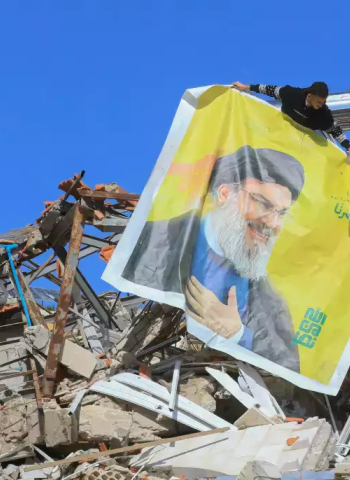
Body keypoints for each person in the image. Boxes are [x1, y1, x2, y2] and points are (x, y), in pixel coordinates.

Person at [122, 145, 305, 372]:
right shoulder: (153, 240)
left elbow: (288, 368)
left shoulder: (269, 300)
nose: (272, 223)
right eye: (264, 204)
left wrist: (237, 335)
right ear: (225, 194)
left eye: (282, 213)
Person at [232, 81, 350, 158]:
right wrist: (246, 87)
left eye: (323, 102)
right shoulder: (292, 95)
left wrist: (349, 148)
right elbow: (269, 90)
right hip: (283, 133)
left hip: (305, 143)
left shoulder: (323, 114)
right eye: (319, 101)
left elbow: (336, 130)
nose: (321, 105)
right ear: (309, 96)